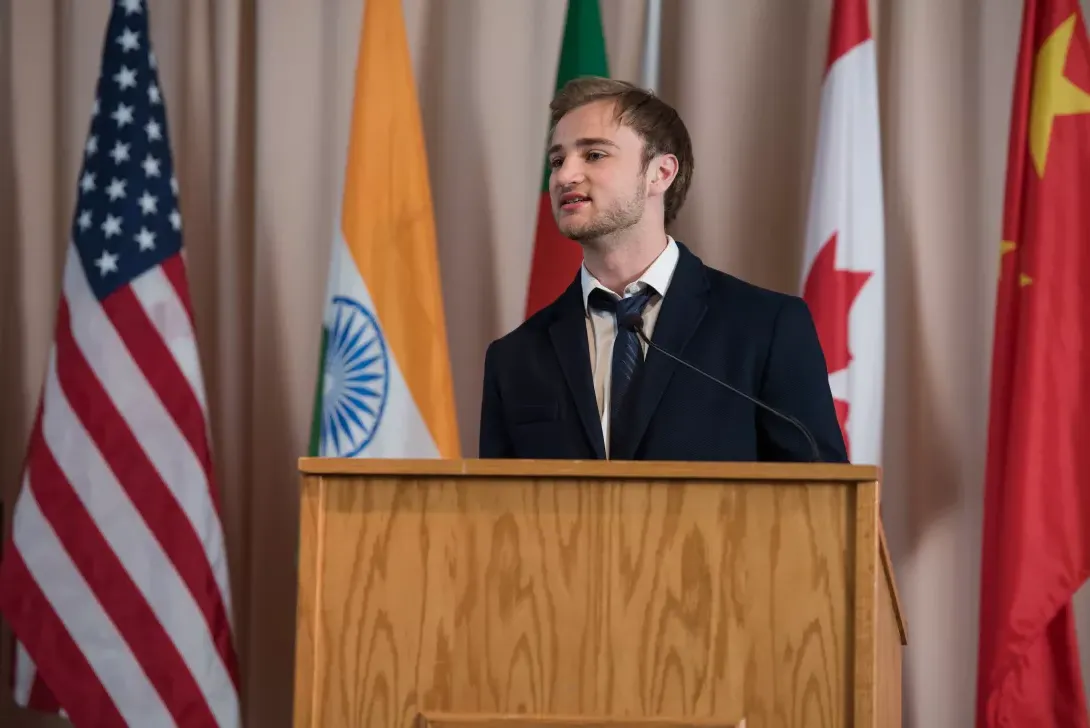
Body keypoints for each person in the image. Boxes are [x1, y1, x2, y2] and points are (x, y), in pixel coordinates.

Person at [478, 77, 847, 463]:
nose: (564, 176)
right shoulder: (515, 358)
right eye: (556, 161)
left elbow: (816, 500)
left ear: (661, 173)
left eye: (594, 155)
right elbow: (497, 512)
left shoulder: (766, 327)